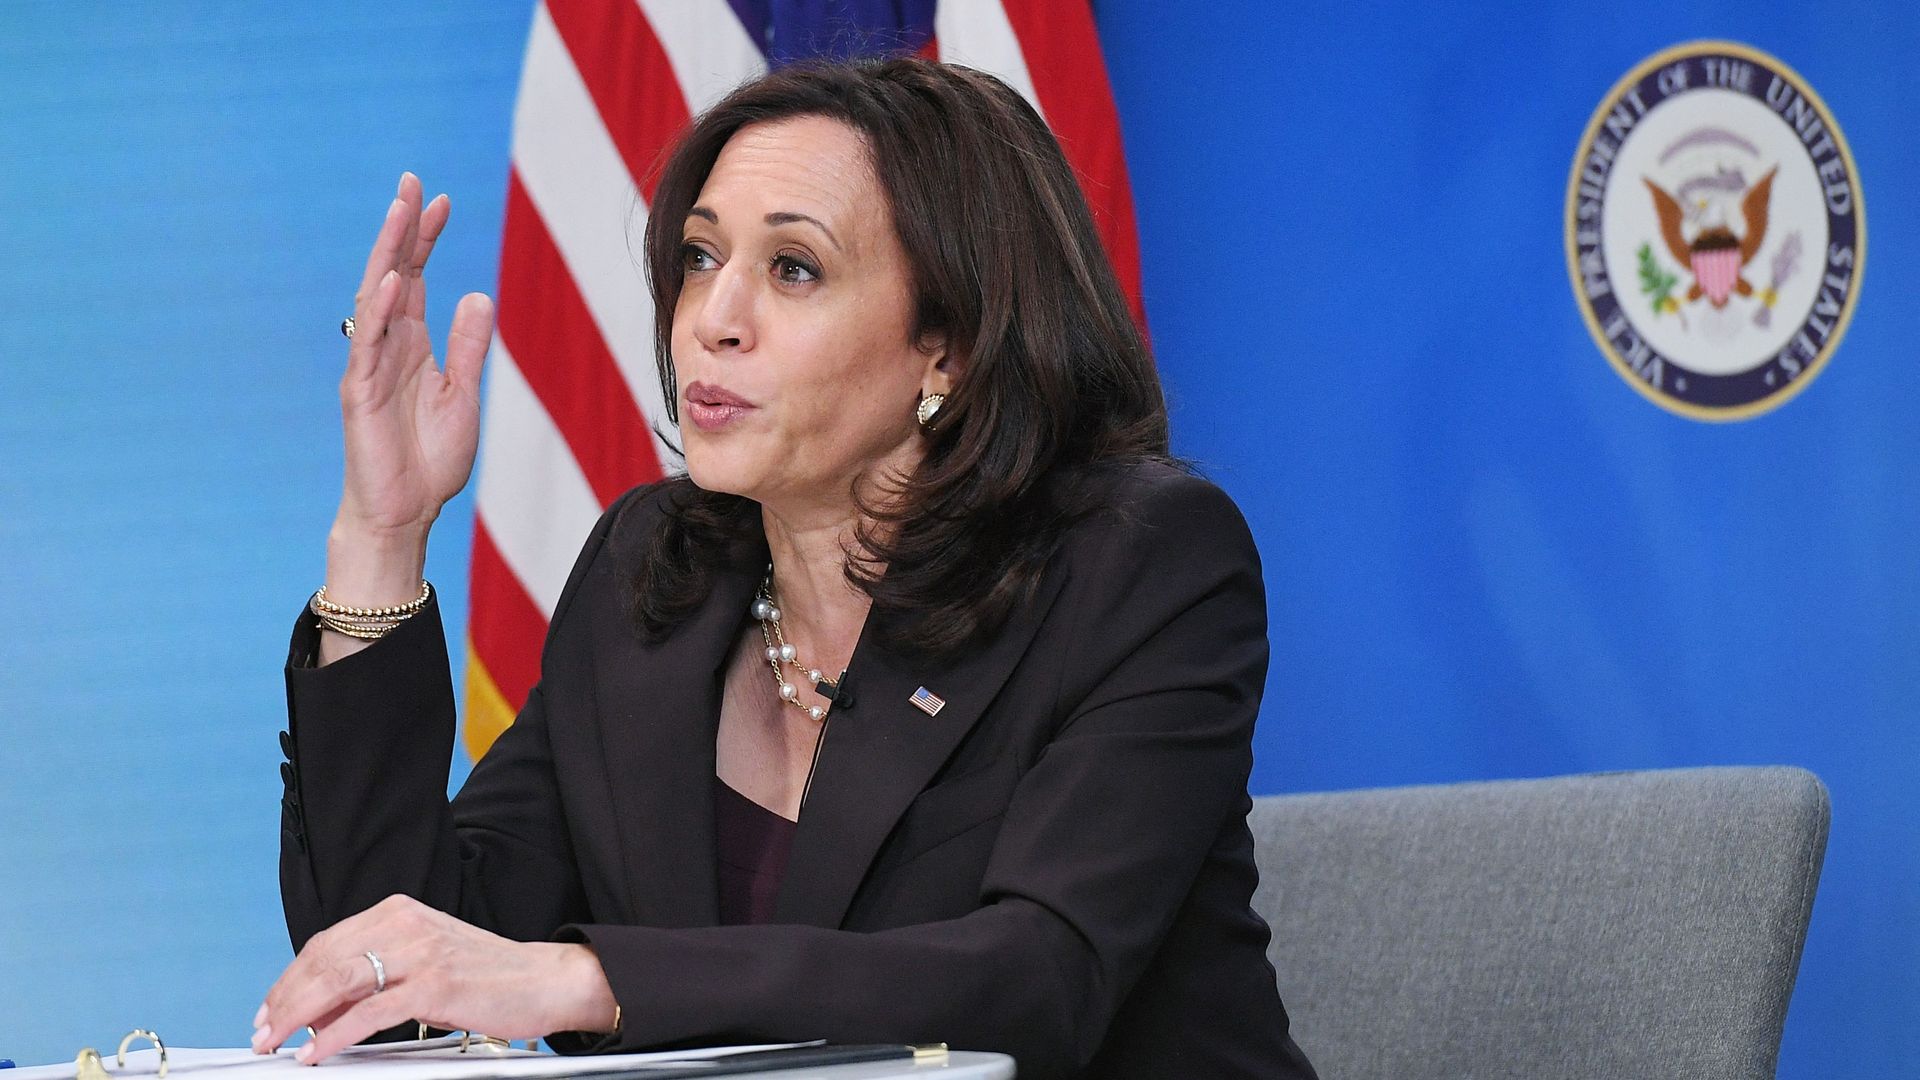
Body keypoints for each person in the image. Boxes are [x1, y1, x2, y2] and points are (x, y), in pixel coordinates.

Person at [255, 57, 1318, 1080]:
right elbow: (403, 960)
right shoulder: (651, 576)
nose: (712, 322)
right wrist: (383, 537)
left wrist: (589, 979)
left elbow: (1037, 981)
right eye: (701, 259)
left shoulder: (1137, 565)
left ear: (945, 343)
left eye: (794, 269)